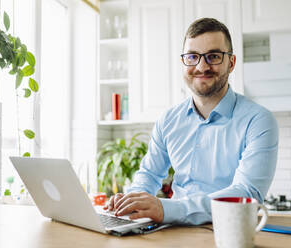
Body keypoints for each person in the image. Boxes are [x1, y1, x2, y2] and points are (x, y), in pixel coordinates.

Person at [104, 18, 278, 225]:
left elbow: (246, 192)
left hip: (229, 232)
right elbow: (149, 175)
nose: (202, 66)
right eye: (193, 56)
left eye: (213, 56)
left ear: (231, 63)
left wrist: (167, 208)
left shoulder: (258, 121)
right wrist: (130, 200)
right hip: (172, 232)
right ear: (183, 62)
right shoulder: (168, 121)